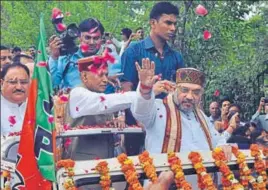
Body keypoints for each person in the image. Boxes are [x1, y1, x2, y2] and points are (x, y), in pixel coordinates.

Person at [131, 63, 237, 189]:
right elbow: (140, 112)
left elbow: (217, 139)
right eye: (185, 90)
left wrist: (223, 145)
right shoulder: (158, 108)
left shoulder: (201, 116)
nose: (190, 97)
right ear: (175, 88)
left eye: (196, 92)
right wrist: (145, 90)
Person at [120, 2, 184, 94]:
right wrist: (147, 92)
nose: (173, 28)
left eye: (175, 24)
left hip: (169, 107)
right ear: (153, 23)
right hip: (140, 107)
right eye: (168, 23)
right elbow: (125, 91)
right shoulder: (133, 52)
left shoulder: (176, 57)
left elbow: (182, 90)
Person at [48, 18, 105, 89]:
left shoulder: (108, 58)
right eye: (87, 38)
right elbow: (53, 84)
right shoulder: (67, 57)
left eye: (96, 38)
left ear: (101, 39)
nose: (91, 42)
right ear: (79, 37)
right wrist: (54, 57)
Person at [1, 63, 30, 136]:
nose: (19, 87)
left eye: (23, 82)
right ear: (1, 83)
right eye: (13, 82)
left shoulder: (38, 106)